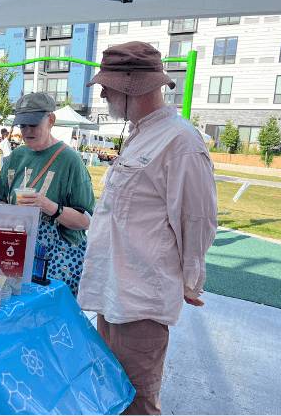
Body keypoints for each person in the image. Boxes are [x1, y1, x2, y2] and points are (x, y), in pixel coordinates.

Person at [77, 42, 217, 415]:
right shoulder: (143, 133)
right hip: (114, 292)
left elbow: (197, 221)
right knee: (110, 393)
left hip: (140, 302)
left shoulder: (181, 141)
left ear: (132, 85)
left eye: (107, 85)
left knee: (136, 402)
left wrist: (190, 280)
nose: (103, 92)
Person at [0, 92, 95, 296]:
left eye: (33, 124)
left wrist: (49, 206)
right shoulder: (16, 157)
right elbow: (1, 198)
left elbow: (86, 221)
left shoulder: (70, 161)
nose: (27, 131)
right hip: (15, 251)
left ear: (51, 120)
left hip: (56, 261)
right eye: (23, 125)